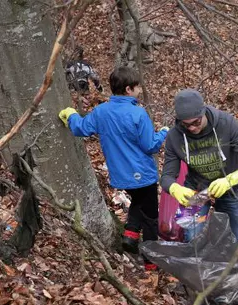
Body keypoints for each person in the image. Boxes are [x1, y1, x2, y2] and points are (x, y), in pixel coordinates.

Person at [59, 66, 168, 269]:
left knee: (138, 201)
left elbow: (81, 128)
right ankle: (152, 264)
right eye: (137, 88)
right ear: (128, 89)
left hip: (120, 174)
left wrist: (71, 115)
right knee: (151, 217)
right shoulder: (138, 113)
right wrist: (163, 132)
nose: (139, 91)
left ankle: (131, 234)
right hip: (143, 173)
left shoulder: (101, 111)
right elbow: (150, 145)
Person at [161, 89, 238, 241]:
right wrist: (175, 189)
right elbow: (167, 177)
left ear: (203, 112)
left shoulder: (226, 123)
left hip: (228, 187)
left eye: (196, 122)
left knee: (233, 238)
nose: (192, 128)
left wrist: (230, 180)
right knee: (193, 237)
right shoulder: (174, 136)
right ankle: (199, 264)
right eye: (186, 125)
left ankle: (233, 265)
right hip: (195, 190)